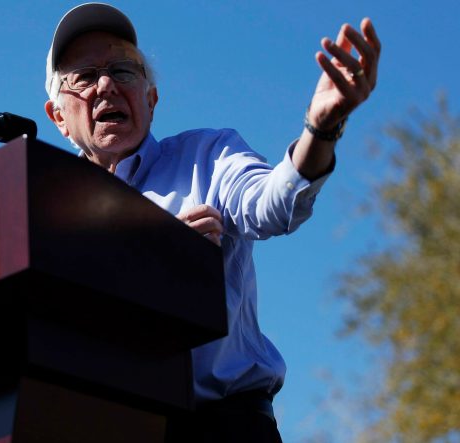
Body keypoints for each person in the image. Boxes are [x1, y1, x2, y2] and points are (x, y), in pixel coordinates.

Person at [43, 3, 381, 442]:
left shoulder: (209, 157)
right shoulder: (48, 211)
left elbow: (274, 204)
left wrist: (320, 129)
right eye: (85, 77)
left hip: (225, 426)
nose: (106, 84)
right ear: (57, 118)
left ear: (151, 98)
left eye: (124, 70)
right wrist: (150, 258)